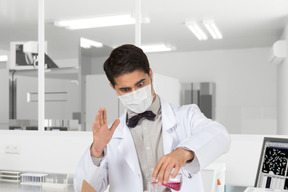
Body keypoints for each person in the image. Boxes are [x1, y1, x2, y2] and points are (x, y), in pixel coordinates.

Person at [73, 44, 230, 192]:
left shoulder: (185, 116)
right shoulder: (112, 136)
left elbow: (220, 135)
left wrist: (183, 153)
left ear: (150, 75)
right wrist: (96, 151)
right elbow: (85, 188)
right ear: (113, 87)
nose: (134, 92)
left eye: (140, 84)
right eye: (125, 89)